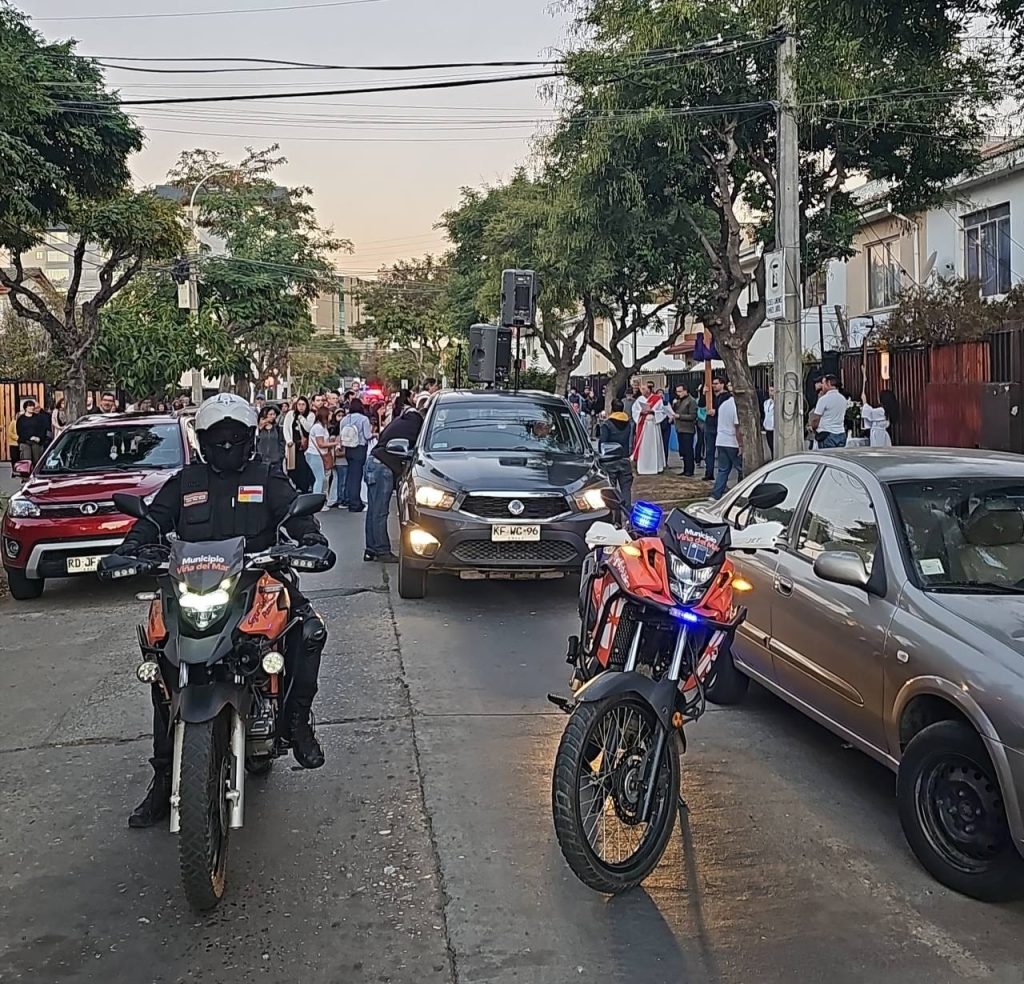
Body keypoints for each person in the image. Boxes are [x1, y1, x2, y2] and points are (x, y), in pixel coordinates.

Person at [111, 393, 332, 827]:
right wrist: (130, 549)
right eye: (218, 436)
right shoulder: (186, 482)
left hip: (259, 581)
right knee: (161, 658)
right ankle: (163, 779)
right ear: (203, 439)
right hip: (191, 587)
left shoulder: (267, 477)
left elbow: (296, 515)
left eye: (235, 436)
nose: (227, 444)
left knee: (310, 632)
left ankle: (297, 723)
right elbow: (153, 520)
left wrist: (311, 541)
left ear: (249, 437)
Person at [366, 401, 424, 562]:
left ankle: (371, 548)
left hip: (374, 462)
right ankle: (382, 550)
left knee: (374, 510)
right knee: (380, 512)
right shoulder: (416, 426)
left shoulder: (402, 421)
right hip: (382, 466)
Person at [598, 399, 634, 510]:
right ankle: (627, 512)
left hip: (610, 461)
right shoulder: (628, 423)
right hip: (624, 459)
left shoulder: (607, 424)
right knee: (626, 488)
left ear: (612, 408)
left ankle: (614, 515)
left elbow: (602, 443)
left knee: (611, 490)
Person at [339, 397, 372, 512]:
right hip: (359, 448)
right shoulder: (364, 419)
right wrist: (375, 435)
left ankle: (347, 498)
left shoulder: (344, 419)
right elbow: (367, 435)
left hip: (348, 448)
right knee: (356, 476)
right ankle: (355, 503)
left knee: (350, 474)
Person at [710, 384, 742, 500]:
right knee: (740, 468)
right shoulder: (736, 407)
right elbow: (737, 427)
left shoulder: (724, 405)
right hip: (732, 441)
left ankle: (715, 494)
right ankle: (740, 493)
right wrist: (740, 444)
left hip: (721, 440)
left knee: (723, 470)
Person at [631, 382, 667, 475]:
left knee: (654, 446)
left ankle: (655, 467)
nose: (642, 391)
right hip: (644, 425)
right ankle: (643, 467)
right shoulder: (639, 399)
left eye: (644, 389)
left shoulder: (657, 399)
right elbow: (634, 410)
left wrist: (653, 411)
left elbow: (662, 411)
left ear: (649, 389)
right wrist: (641, 412)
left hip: (653, 425)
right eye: (641, 389)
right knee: (644, 447)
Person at [283, 396, 314, 492]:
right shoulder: (290, 414)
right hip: (293, 446)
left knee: (304, 467)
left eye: (303, 405)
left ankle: (304, 487)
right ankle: (295, 486)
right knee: (292, 467)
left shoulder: (310, 415)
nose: (301, 407)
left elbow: (309, 428)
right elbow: (286, 428)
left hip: (305, 447)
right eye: (299, 404)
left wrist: (301, 418)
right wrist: (289, 441)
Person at [809, 374, 848, 449]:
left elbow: (816, 419)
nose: (822, 386)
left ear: (829, 383)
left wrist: (813, 427)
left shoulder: (824, 399)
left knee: (827, 458)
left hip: (826, 435)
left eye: (823, 383)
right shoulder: (843, 399)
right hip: (841, 433)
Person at [305, 406, 336, 497]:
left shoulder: (322, 427)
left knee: (320, 478)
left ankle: (318, 499)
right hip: (314, 454)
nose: (331, 416)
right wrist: (335, 443)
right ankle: (317, 500)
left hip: (316, 454)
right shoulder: (318, 427)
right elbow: (321, 444)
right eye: (329, 414)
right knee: (320, 478)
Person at [703, 377, 727, 481]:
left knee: (722, 451)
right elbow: (701, 405)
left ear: (722, 384)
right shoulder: (711, 396)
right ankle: (709, 472)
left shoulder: (727, 396)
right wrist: (703, 394)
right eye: (713, 384)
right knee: (709, 451)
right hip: (710, 425)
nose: (714, 386)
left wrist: (716, 411)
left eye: (716, 384)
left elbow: (726, 409)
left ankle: (722, 473)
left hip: (721, 426)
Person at [671, 384, 698, 477]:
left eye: (680, 391)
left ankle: (690, 469)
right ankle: (685, 468)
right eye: (677, 392)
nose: (678, 394)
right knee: (683, 450)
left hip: (687, 429)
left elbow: (693, 416)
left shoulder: (691, 401)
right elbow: (675, 411)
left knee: (688, 450)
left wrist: (680, 416)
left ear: (685, 391)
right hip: (680, 428)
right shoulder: (679, 401)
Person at [16, 399, 49, 465]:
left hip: (37, 442)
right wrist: (30, 437)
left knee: (37, 460)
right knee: (26, 460)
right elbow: (20, 431)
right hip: (25, 442)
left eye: (32, 406)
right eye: (29, 406)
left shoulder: (39, 417)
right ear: (25, 408)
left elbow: (43, 429)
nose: (32, 408)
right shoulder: (21, 419)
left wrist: (39, 438)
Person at [256, 405, 286, 473]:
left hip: (275, 461)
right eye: (270, 414)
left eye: (274, 414)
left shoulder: (277, 429)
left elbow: (281, 442)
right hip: (262, 460)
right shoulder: (258, 430)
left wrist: (280, 455)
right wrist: (260, 428)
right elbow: (255, 441)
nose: (273, 416)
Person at [329, 408, 349, 508]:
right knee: (342, 480)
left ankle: (336, 498)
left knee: (338, 480)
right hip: (341, 460)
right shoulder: (337, 433)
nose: (341, 418)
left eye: (342, 415)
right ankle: (341, 499)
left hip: (338, 460)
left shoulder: (334, 431)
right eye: (338, 415)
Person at [763, 385, 776, 457]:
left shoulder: (778, 403)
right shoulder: (766, 402)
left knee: (774, 446)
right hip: (767, 427)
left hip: (774, 427)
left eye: (772, 391)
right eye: (770, 391)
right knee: (770, 445)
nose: (771, 393)